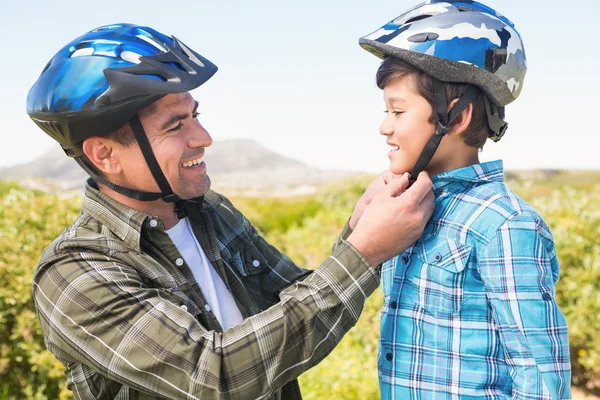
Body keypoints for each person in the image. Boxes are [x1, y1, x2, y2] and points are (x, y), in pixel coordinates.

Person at [27, 23, 435, 399]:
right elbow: (214, 377)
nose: (203, 138)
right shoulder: (75, 272)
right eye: (175, 126)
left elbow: (295, 304)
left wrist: (360, 230)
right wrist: (363, 253)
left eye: (195, 116)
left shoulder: (210, 212)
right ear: (105, 154)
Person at [358, 1, 571, 398]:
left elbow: (541, 377)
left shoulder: (504, 224)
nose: (383, 126)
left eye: (398, 110)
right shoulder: (403, 213)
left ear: (455, 118)